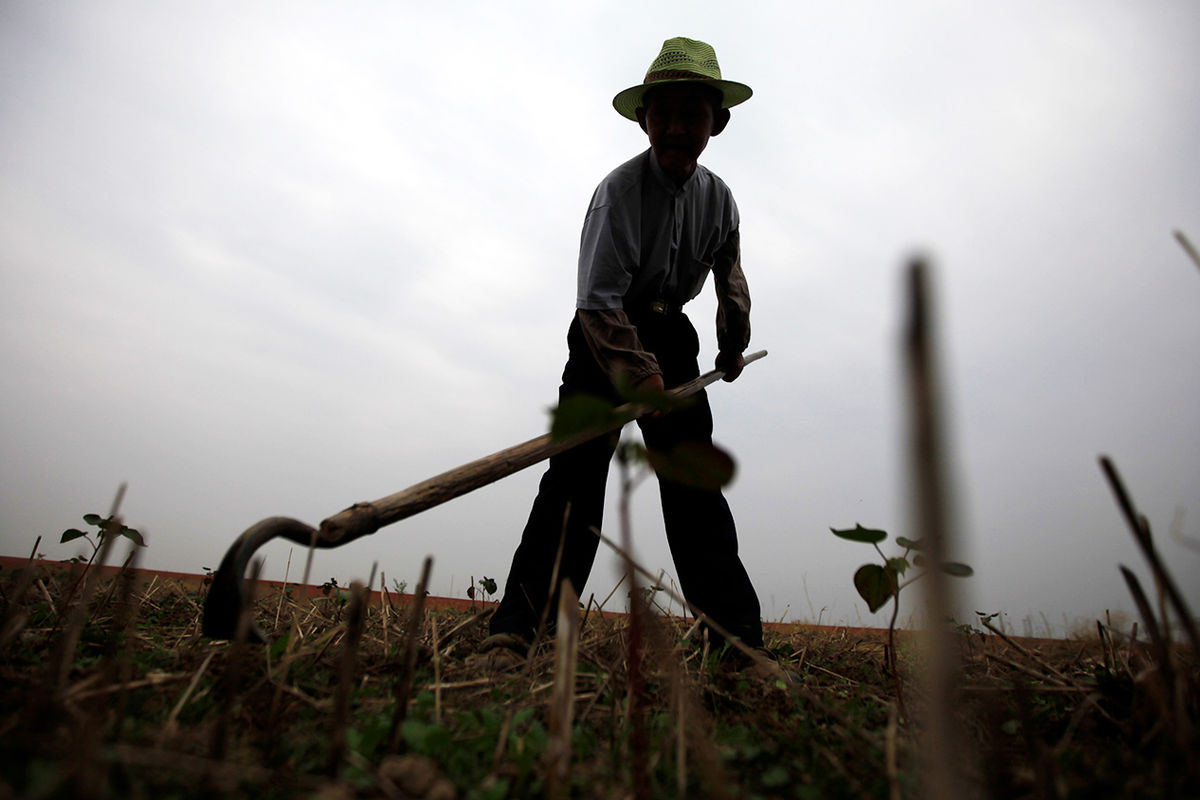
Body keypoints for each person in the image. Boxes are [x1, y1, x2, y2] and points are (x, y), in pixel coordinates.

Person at [482, 37, 763, 661]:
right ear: (644, 120)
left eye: (692, 114)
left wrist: (731, 342)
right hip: (602, 341)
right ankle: (522, 628)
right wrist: (640, 377)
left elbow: (730, 275)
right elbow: (598, 302)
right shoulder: (618, 194)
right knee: (575, 478)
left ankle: (733, 639)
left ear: (716, 122)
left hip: (674, 336)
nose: (675, 128)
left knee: (694, 483)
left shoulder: (721, 201)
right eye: (662, 114)